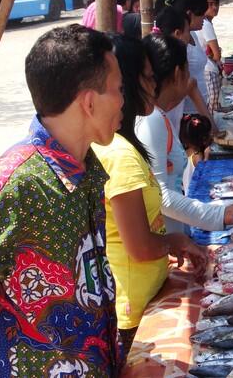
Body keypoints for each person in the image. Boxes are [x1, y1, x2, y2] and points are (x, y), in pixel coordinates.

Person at [0, 25, 122, 376]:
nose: (124, 102)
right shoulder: (13, 185)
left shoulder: (87, 171)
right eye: (118, 90)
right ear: (89, 101)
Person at [91, 35, 207, 355]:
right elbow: (140, 247)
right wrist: (176, 242)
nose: (154, 85)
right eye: (148, 76)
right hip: (132, 311)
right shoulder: (122, 154)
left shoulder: (129, 144)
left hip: (146, 295)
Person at [136, 34, 233, 235]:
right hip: (165, 239)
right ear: (178, 73)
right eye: (188, 71)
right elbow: (160, 195)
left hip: (174, 235)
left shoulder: (159, 115)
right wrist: (220, 215)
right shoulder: (152, 120)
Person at [156, 0, 217, 133]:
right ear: (189, 14)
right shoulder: (178, 45)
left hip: (193, 110)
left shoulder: (192, 35)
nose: (204, 18)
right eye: (201, 14)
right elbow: (189, 87)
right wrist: (213, 128)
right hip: (184, 115)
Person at [191, 0, 224, 113]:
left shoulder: (198, 23)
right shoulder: (205, 24)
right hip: (210, 70)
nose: (214, 7)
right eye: (210, 4)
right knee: (212, 110)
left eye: (216, 4)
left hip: (203, 71)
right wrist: (215, 55)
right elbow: (217, 54)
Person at [179, 113, 213, 194]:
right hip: (195, 198)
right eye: (209, 134)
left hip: (186, 196)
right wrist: (206, 158)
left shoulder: (184, 152)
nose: (211, 136)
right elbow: (203, 179)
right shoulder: (197, 156)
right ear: (204, 138)